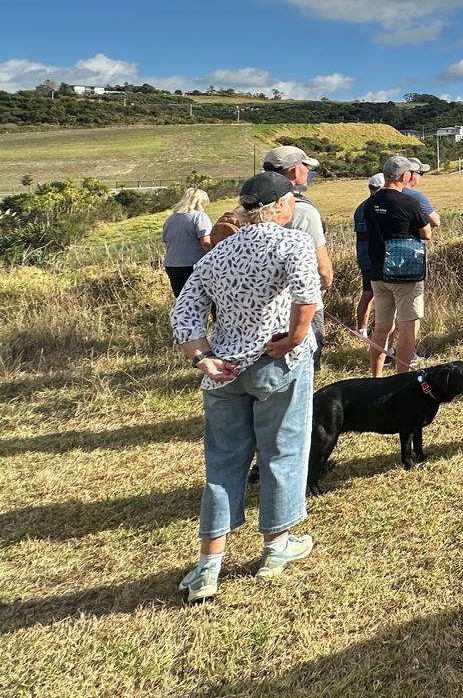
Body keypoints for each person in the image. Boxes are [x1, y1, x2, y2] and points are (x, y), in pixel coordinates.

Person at [169, 171, 320, 604]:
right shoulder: (293, 242)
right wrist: (294, 337)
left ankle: (208, 564)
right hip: (277, 363)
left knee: (222, 462)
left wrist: (201, 357)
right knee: (283, 451)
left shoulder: (218, 252)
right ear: (282, 205)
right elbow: (307, 295)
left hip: (223, 371)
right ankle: (276, 546)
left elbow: (184, 313)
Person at [261, 146, 334, 367]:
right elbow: (323, 269)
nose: (308, 171)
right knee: (309, 354)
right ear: (294, 170)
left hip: (260, 301)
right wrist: (321, 287)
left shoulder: (253, 206)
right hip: (299, 301)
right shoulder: (303, 211)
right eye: (306, 166)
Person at [363, 155, 433, 377]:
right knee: (407, 327)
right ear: (404, 176)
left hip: (378, 272)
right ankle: (402, 377)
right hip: (404, 272)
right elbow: (427, 233)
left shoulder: (370, 203)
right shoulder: (408, 203)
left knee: (381, 328)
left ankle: (376, 377)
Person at [161, 187, 212, 298]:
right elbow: (206, 244)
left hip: (172, 265)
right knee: (199, 300)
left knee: (182, 301)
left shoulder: (170, 219)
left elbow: (166, 242)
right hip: (193, 265)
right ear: (200, 202)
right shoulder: (199, 217)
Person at [352, 174, 385, 334]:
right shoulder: (378, 207)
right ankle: (381, 331)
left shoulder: (360, 207)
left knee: (367, 294)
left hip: (364, 257)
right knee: (385, 296)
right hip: (377, 257)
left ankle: (362, 330)